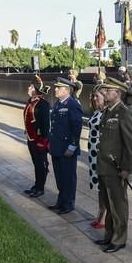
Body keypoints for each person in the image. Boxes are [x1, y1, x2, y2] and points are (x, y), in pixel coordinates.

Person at [93, 77, 132, 253]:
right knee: (108, 203)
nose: (105, 92)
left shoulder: (124, 113)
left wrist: (127, 168)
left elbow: (131, 143)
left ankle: (119, 239)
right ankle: (109, 235)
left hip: (116, 168)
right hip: (104, 166)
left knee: (118, 205)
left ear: (118, 93)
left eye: (108, 90)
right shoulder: (108, 111)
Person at [48, 77, 83, 215]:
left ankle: (68, 204)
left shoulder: (72, 104)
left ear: (66, 90)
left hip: (67, 148)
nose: (55, 89)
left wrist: (72, 146)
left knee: (68, 177)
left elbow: (77, 127)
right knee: (59, 177)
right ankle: (61, 201)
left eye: (58, 87)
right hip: (57, 147)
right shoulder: (58, 104)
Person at [23, 75, 51, 198]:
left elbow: (45, 125)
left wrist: (43, 141)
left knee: (41, 164)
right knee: (36, 163)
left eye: (30, 86)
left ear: (35, 88)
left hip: (39, 140)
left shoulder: (43, 104)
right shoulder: (31, 101)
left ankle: (41, 188)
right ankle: (36, 185)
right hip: (31, 138)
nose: (28, 88)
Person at [87, 86, 106, 229]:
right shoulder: (97, 112)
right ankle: (100, 213)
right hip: (93, 155)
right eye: (93, 96)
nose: (94, 99)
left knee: (104, 187)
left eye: (97, 97)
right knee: (99, 188)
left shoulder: (106, 113)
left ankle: (103, 217)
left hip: (101, 155)